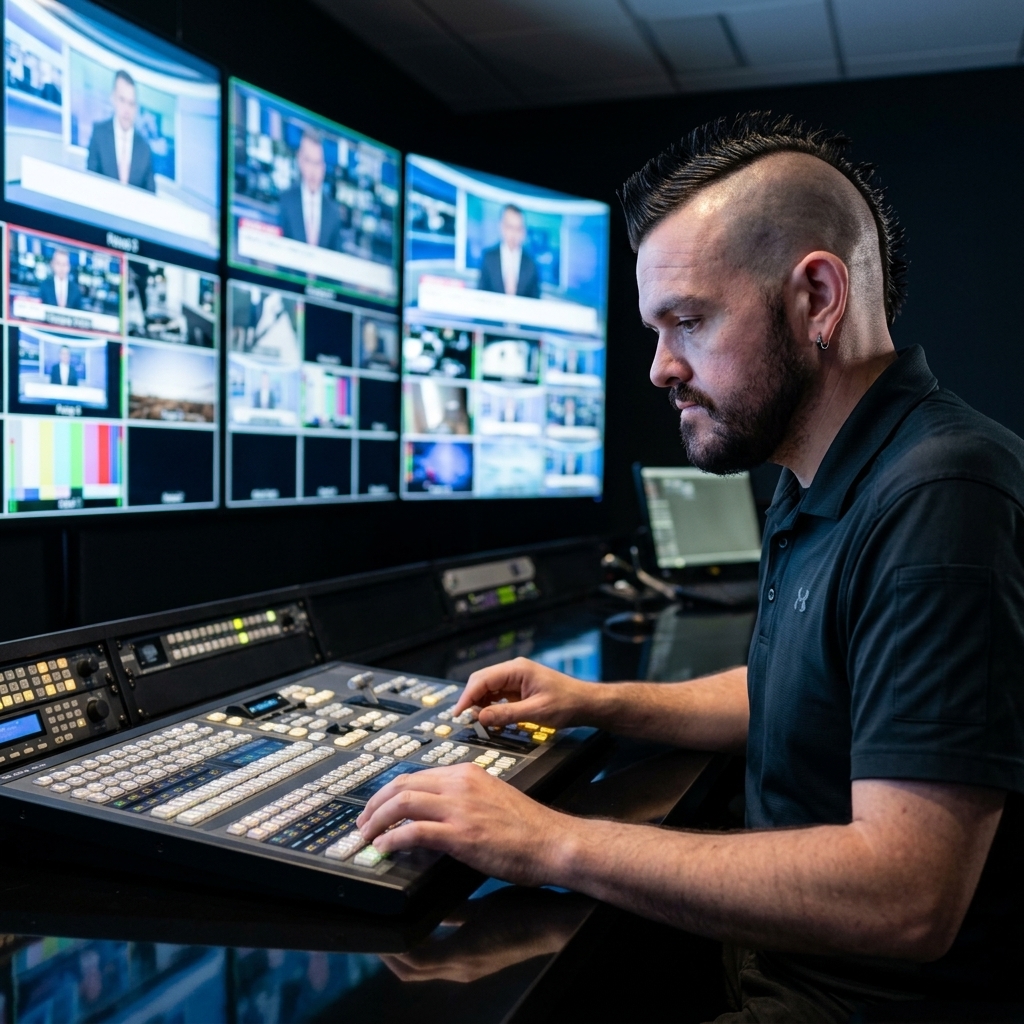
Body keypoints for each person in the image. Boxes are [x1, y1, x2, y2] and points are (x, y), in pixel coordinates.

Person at [355, 113, 1024, 1020]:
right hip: (773, 961)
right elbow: (797, 689)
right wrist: (595, 701)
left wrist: (547, 840)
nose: (662, 369)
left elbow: (905, 895)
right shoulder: (814, 465)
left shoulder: (943, 493)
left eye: (688, 322)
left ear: (818, 298)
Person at [87, 70, 155, 192]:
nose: (127, 109)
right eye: (122, 100)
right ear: (113, 99)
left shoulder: (145, 148)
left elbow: (151, 195)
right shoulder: (99, 134)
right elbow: (90, 184)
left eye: (131, 103)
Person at [277, 131, 344, 250]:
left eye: (317, 163)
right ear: (300, 161)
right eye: (308, 161)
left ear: (323, 167)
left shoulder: (333, 212)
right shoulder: (286, 200)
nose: (313, 170)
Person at [476, 204, 541, 299]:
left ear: (523, 231)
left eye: (518, 229)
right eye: (510, 227)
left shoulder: (531, 264)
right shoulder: (488, 257)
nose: (514, 234)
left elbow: (535, 301)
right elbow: (480, 295)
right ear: (502, 227)